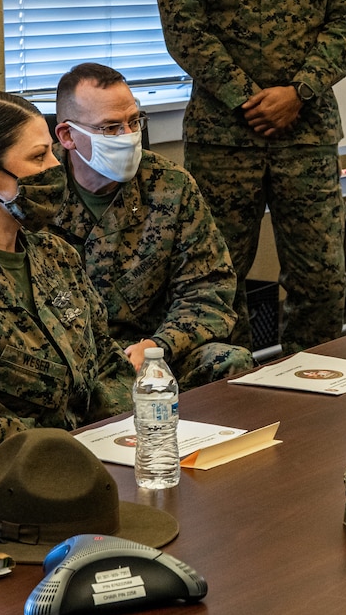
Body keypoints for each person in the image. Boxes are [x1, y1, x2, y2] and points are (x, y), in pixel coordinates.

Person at [153, 0, 346, 354]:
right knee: (217, 278)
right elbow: (184, 30)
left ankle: (313, 388)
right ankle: (229, 392)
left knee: (321, 278)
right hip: (221, 137)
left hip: (307, 133)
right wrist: (246, 97)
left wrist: (299, 91)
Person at [0, 91, 133, 474]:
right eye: (39, 157)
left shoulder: (56, 253)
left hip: (95, 461)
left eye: (53, 153)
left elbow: (109, 362)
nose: (56, 167)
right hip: (5, 486)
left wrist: (113, 437)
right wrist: (72, 451)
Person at [51, 62, 253, 390]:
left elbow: (209, 289)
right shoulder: (37, 196)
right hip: (72, 365)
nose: (129, 137)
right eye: (110, 128)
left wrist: (159, 346)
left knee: (229, 361)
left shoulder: (170, 185)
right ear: (67, 135)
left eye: (133, 122)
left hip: (153, 353)